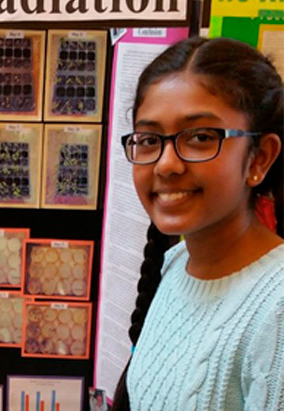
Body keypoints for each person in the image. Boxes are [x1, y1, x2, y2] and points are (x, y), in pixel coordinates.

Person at [112, 36, 284, 410]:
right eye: (149, 139)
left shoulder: (276, 309)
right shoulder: (176, 263)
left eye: (201, 137)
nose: (166, 164)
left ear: (259, 158)